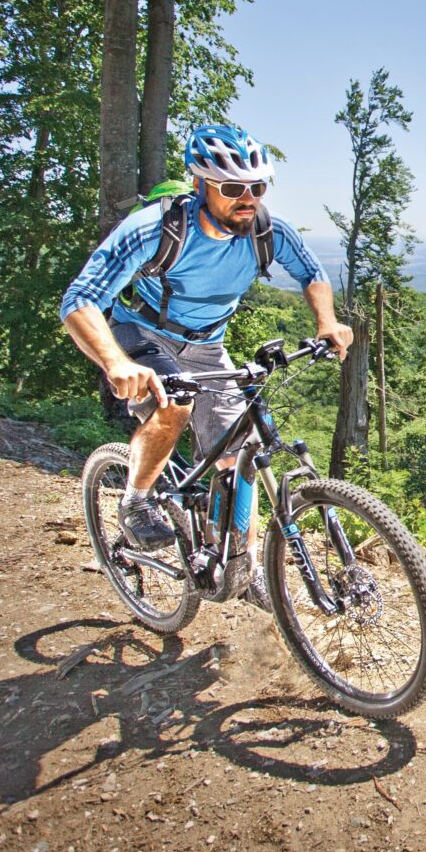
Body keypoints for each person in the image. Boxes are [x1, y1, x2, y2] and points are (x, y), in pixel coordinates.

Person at [60, 124, 353, 556]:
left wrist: (326, 320)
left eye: (257, 186)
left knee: (240, 455)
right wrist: (115, 363)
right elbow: (80, 298)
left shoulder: (266, 231)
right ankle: (136, 501)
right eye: (233, 187)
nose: (248, 198)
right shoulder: (154, 229)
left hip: (208, 346)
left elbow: (312, 272)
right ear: (200, 185)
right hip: (141, 333)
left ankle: (241, 563)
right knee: (174, 406)